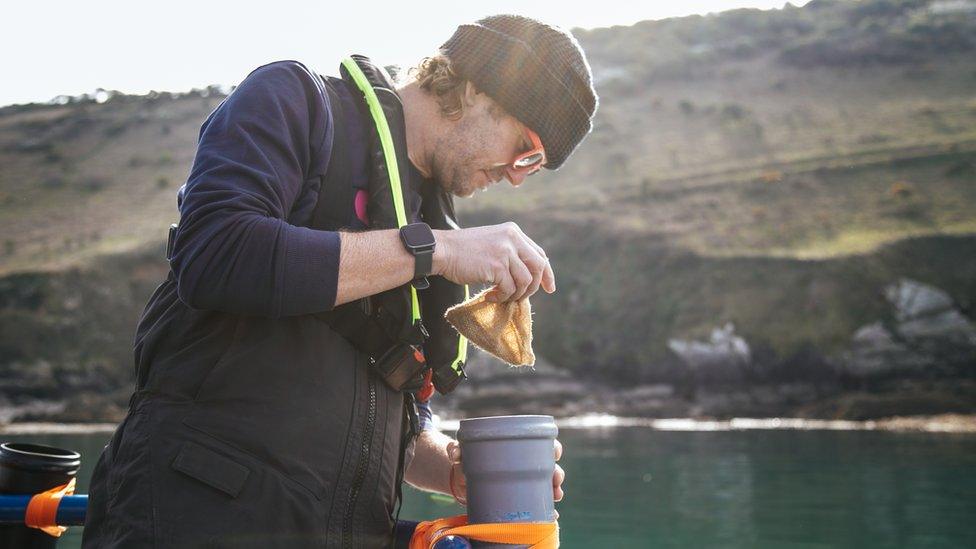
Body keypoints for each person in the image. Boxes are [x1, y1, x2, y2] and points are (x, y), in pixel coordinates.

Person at [82, 14, 597, 548]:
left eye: (534, 168)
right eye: (527, 149)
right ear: (474, 88)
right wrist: (433, 251)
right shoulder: (295, 102)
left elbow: (391, 418)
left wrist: (447, 469)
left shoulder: (431, 220)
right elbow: (216, 254)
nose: (517, 173)